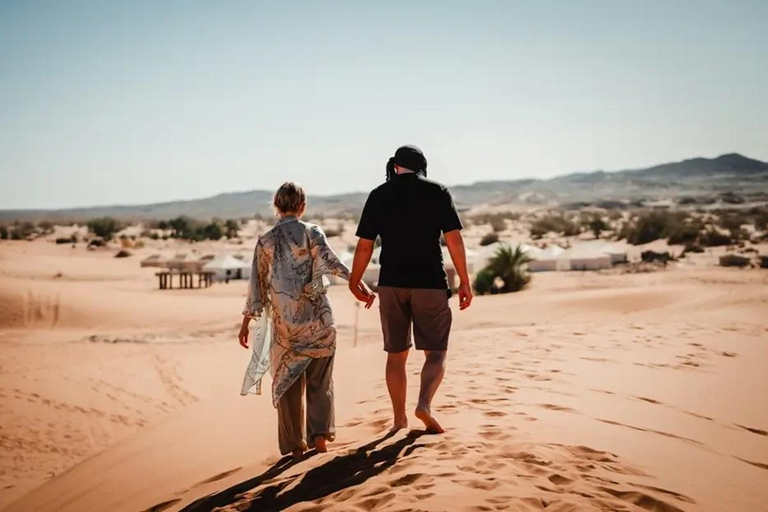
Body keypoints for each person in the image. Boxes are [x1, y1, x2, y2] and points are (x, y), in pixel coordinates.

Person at [238, 182, 375, 458]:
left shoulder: (265, 241)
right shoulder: (312, 232)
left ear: (277, 206)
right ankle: (320, 436)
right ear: (302, 206)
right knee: (320, 381)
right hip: (319, 322)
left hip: (286, 326)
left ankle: (294, 445)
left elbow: (257, 286)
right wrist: (358, 283)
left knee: (288, 382)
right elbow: (331, 262)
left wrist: (246, 322)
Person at [349, 145, 472, 434]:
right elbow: (453, 239)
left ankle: (398, 420)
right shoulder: (437, 192)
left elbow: (365, 245)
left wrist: (355, 281)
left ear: (395, 166)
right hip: (430, 282)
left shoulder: (379, 194)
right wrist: (465, 280)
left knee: (396, 354)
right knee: (436, 352)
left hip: (392, 283)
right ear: (421, 167)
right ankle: (424, 405)